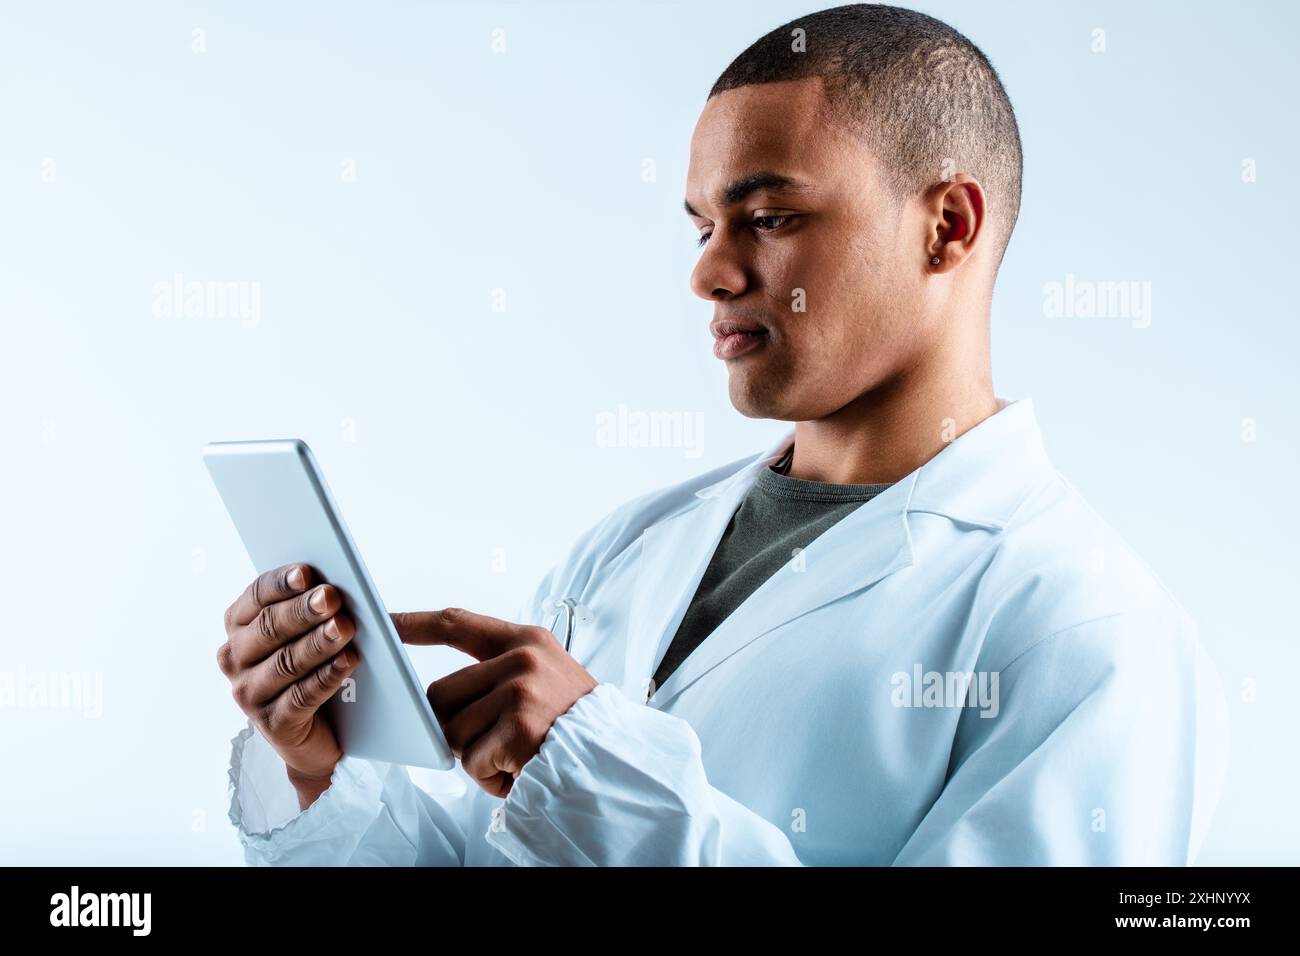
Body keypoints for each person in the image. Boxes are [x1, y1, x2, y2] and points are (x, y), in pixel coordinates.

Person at [216, 3, 1229, 866]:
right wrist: (318, 767)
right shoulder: (625, 550)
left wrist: (605, 783)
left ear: (947, 227)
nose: (708, 273)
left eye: (770, 217)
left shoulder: (1091, 633)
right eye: (702, 225)